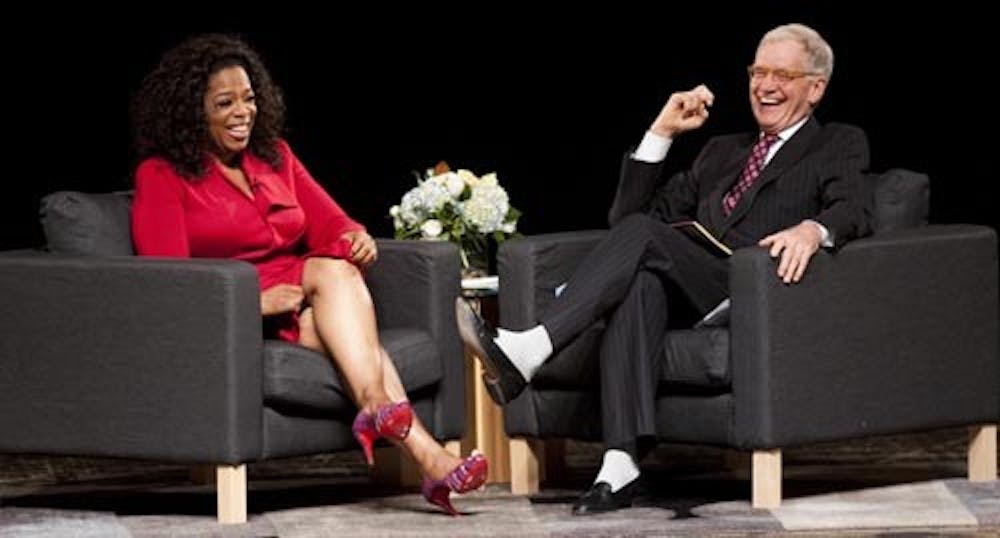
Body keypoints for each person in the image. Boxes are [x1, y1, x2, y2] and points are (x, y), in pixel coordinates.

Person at [456, 23, 869, 515]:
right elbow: (625, 220)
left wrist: (811, 230)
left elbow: (855, 208)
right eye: (758, 71)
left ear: (815, 86)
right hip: (689, 286)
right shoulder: (722, 152)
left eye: (782, 73)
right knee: (641, 280)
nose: (765, 85)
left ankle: (533, 346)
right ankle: (620, 462)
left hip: (752, 288)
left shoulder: (837, 143)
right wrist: (660, 133)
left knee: (647, 240)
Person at [129, 33, 486, 516]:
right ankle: (427, 454)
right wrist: (252, 302)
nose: (243, 113)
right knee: (362, 346)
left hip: (304, 294)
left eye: (250, 99)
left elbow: (329, 222)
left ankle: (389, 419)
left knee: (336, 270)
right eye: (225, 103)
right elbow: (168, 282)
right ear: (192, 112)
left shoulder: (273, 155)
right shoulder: (162, 175)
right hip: (242, 310)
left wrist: (353, 236)